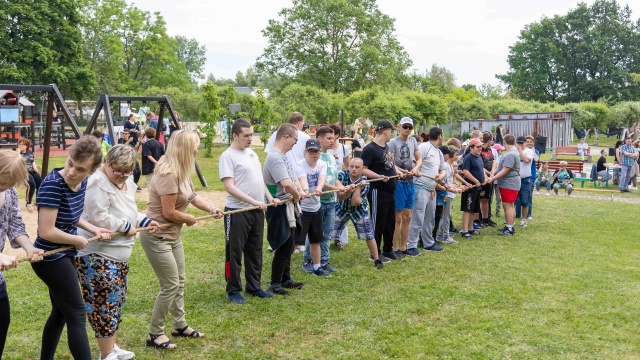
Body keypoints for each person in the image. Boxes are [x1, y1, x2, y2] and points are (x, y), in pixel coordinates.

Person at [140, 130, 223, 350]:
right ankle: (155, 334)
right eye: (195, 146)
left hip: (172, 236)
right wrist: (189, 219)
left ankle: (179, 325)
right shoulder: (167, 173)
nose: (197, 149)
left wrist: (212, 208)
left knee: (180, 281)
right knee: (170, 285)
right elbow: (169, 213)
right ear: (186, 149)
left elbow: (193, 197)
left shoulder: (182, 171)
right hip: (157, 236)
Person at [31, 136, 112, 360]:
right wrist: (76, 240)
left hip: (65, 254)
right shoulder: (52, 184)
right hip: (49, 258)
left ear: (91, 171)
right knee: (76, 312)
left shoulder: (82, 182)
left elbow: (72, 217)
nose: (71, 172)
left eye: (79, 169)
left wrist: (93, 229)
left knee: (60, 313)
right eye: (69, 163)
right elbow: (46, 231)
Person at [76, 145, 160, 360]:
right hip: (98, 255)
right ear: (107, 163)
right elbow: (98, 217)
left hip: (119, 255)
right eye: (118, 171)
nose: (122, 176)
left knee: (116, 303)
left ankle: (112, 348)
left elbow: (129, 211)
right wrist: (124, 226)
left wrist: (144, 220)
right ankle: (106, 355)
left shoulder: (127, 182)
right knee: (103, 306)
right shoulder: (97, 183)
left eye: (128, 171)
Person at [219, 119, 278, 304]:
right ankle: (233, 290)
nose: (250, 138)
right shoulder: (227, 156)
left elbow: (259, 180)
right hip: (237, 212)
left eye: (252, 135)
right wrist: (254, 201)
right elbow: (229, 187)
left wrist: (269, 197)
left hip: (257, 210)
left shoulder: (252, 153)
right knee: (234, 252)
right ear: (235, 135)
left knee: (255, 250)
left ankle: (254, 286)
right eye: (246, 135)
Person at [0, 151, 44, 359]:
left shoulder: (8, 193)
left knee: (2, 321)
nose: (6, 187)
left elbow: (16, 226)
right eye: (2, 182)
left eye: (10, 183)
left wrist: (30, 248)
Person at [263, 124, 306, 295]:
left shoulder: (283, 156)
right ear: (285, 137)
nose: (296, 143)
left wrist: (301, 191)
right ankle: (275, 283)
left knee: (290, 244)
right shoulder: (274, 157)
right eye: (295, 140)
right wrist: (296, 196)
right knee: (283, 243)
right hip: (279, 207)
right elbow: (286, 184)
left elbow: (292, 176)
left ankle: (285, 278)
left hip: (288, 205)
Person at [302, 127, 343, 273]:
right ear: (320, 139)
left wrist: (342, 187)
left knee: (327, 233)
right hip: (318, 202)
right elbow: (321, 180)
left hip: (330, 200)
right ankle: (308, 260)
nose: (333, 141)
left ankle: (324, 261)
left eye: (334, 138)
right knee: (314, 234)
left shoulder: (331, 158)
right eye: (329, 138)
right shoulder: (316, 158)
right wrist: (335, 188)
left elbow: (334, 178)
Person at [361, 120, 403, 261]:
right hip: (377, 191)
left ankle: (388, 249)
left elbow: (391, 165)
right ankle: (375, 253)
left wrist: (398, 172)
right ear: (385, 131)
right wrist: (379, 176)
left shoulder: (386, 148)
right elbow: (363, 169)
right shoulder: (369, 149)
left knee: (390, 221)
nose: (392, 133)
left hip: (390, 191)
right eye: (391, 131)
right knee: (378, 221)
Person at [331, 157, 383, 269]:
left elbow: (355, 202)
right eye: (352, 166)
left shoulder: (366, 183)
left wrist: (358, 187)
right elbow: (340, 196)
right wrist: (347, 189)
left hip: (358, 211)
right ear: (348, 166)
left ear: (362, 169)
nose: (353, 169)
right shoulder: (341, 176)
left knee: (369, 234)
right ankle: (321, 259)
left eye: (357, 167)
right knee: (328, 232)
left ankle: (377, 259)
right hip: (341, 208)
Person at [296, 139, 331, 277]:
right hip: (302, 209)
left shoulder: (322, 164)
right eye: (311, 151)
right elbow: (302, 179)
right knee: (295, 242)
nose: (313, 154)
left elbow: (322, 178)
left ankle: (317, 267)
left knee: (316, 239)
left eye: (316, 151)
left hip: (316, 207)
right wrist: (305, 190)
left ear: (319, 152)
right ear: (306, 151)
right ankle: (284, 270)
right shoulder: (300, 165)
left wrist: (318, 188)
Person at [387, 117, 421, 257]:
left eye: (410, 127)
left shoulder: (413, 141)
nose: (407, 129)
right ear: (399, 127)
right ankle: (394, 247)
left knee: (408, 216)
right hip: (399, 183)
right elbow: (389, 162)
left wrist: (416, 168)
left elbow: (419, 158)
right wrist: (399, 171)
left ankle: (403, 246)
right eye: (405, 126)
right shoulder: (393, 142)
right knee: (398, 217)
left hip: (410, 181)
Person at [407, 127, 445, 253]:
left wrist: (441, 176)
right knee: (417, 217)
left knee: (430, 218)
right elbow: (414, 163)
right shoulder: (424, 147)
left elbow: (442, 169)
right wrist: (416, 170)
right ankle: (411, 244)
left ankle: (428, 243)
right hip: (420, 187)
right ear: (440, 136)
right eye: (443, 135)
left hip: (431, 189)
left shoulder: (439, 152)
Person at [488, 134, 520, 236]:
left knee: (508, 206)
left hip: (509, 183)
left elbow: (505, 170)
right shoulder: (514, 152)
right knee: (510, 205)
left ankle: (509, 228)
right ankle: (509, 225)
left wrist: (493, 178)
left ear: (505, 142)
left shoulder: (510, 154)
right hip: (510, 183)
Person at [327, 124, 351, 249]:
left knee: (341, 210)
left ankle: (339, 238)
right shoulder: (325, 149)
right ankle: (327, 237)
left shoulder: (343, 148)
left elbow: (347, 165)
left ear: (337, 135)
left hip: (340, 180)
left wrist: (347, 180)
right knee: (329, 209)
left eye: (333, 135)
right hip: (328, 180)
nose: (332, 139)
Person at [17, 138, 42, 213]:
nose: (20, 146)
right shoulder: (18, 154)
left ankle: (38, 201)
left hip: (32, 170)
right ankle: (28, 203)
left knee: (40, 184)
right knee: (31, 185)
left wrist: (35, 167)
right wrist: (18, 153)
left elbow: (32, 161)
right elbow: (15, 162)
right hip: (24, 172)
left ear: (26, 146)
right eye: (20, 144)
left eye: (22, 144)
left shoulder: (29, 152)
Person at [479, 132, 497, 227]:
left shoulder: (489, 150)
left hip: (490, 177)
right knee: (481, 199)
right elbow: (479, 165)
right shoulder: (480, 149)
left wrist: (493, 172)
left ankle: (486, 219)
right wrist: (488, 173)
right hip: (483, 177)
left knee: (486, 198)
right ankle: (479, 219)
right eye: (492, 140)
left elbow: (494, 161)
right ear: (489, 140)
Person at [515, 136, 534, 228]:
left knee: (525, 201)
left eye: (522, 143)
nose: (520, 145)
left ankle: (524, 220)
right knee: (513, 201)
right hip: (515, 179)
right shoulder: (514, 151)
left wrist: (520, 151)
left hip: (525, 179)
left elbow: (526, 160)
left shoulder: (529, 151)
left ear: (525, 143)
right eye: (518, 143)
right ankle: (512, 220)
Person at [492, 143, 505, 217]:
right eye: (500, 150)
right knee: (490, 197)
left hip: (498, 180)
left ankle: (498, 211)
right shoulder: (493, 158)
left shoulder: (501, 157)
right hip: (492, 179)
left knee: (498, 197)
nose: (501, 151)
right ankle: (488, 212)